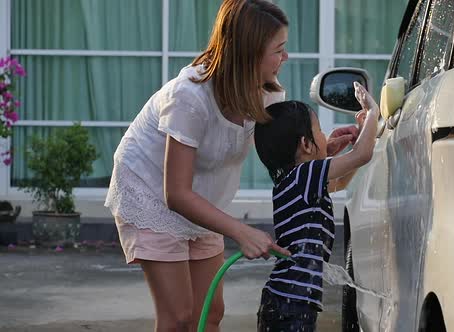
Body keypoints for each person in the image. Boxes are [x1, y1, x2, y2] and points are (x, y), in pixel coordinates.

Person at [104, 0, 358, 331]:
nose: (286, 58)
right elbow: (175, 194)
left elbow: (289, 165)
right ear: (249, 53)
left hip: (204, 198)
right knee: (178, 317)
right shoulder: (190, 98)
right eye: (278, 50)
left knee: (210, 314)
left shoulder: (268, 96)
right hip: (150, 192)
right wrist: (241, 231)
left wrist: (322, 151)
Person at [254, 82, 380, 331]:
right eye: (320, 131)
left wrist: (349, 142)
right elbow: (362, 155)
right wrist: (373, 115)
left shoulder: (292, 180)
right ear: (306, 144)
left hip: (284, 301)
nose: (326, 136)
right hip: (292, 305)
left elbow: (340, 181)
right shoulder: (305, 175)